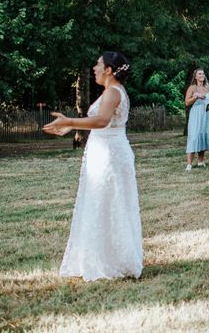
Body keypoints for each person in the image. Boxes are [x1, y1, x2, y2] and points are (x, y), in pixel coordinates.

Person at [43, 52, 143, 281]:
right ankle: (102, 257)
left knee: (109, 202)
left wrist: (69, 121)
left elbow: (101, 121)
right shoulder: (112, 91)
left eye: (98, 64)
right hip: (106, 151)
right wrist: (72, 128)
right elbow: (99, 123)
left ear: (109, 69)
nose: (94, 68)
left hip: (110, 155)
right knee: (102, 203)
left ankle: (112, 261)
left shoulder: (112, 92)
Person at [184, 68, 209, 171]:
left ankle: (201, 161)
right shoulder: (192, 87)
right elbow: (187, 102)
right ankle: (189, 164)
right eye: (199, 74)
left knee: (203, 135)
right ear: (196, 77)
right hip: (196, 114)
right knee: (194, 136)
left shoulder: (208, 88)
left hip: (206, 115)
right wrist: (196, 97)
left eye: (203, 73)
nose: (202, 75)